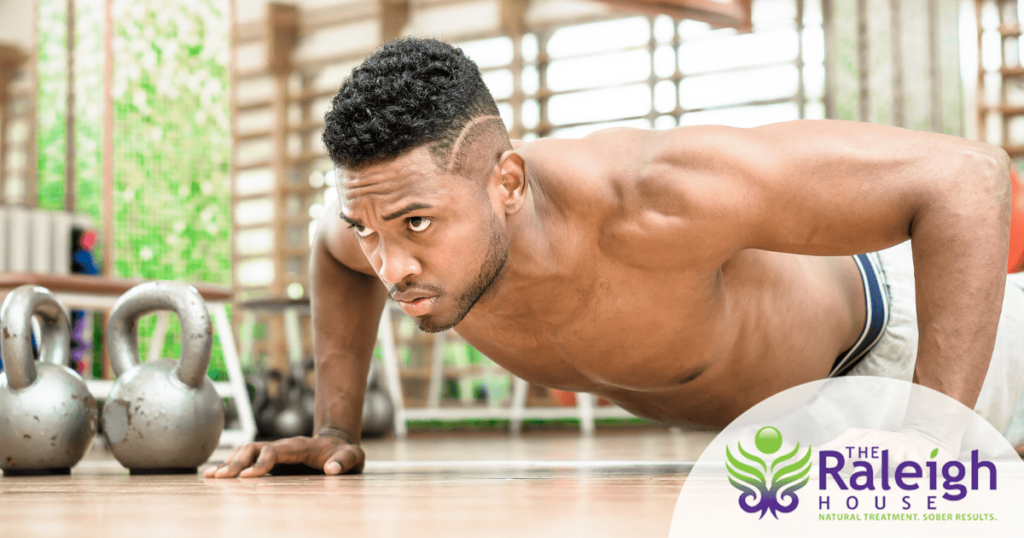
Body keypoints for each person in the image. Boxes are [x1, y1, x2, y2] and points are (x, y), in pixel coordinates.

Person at [206, 37, 1024, 479]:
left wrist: (931, 443)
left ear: (509, 184)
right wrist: (336, 426)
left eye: (417, 225)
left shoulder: (660, 195)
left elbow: (967, 179)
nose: (390, 265)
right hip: (797, 427)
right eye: (369, 230)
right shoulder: (383, 223)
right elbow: (334, 255)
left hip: (913, 341)